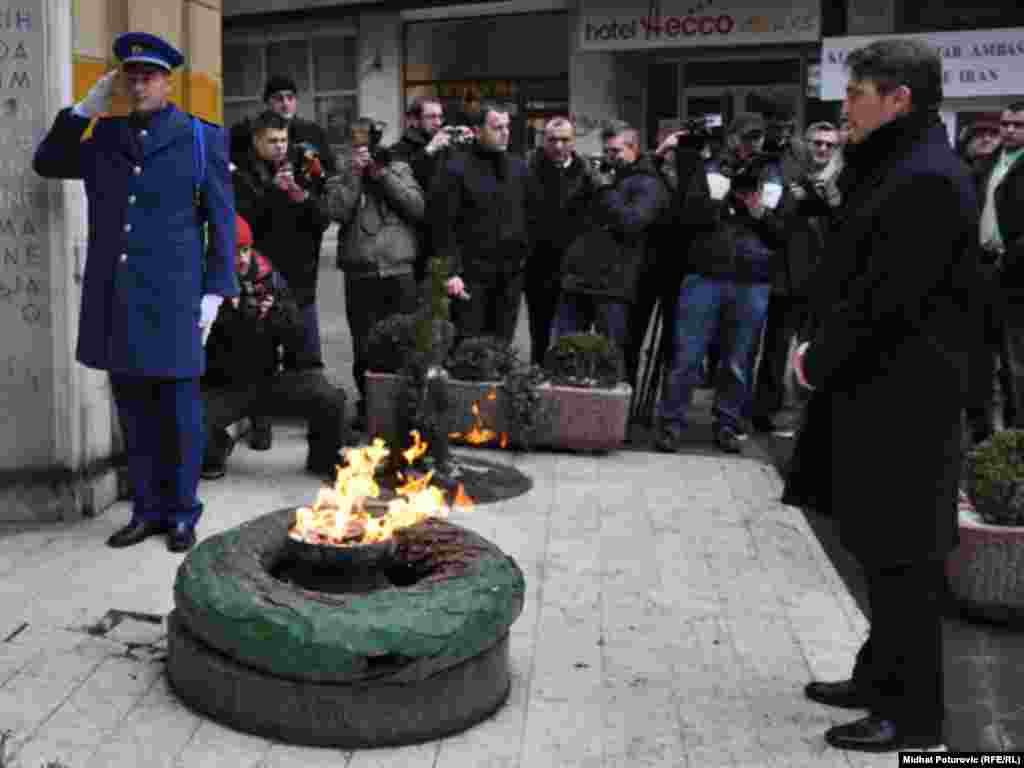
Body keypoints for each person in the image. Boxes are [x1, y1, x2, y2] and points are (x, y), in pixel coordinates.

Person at [783, 39, 979, 752]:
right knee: (875, 545)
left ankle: (913, 714)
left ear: (899, 98)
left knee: (903, 561)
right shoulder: (893, 164)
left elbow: (888, 299)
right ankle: (876, 675)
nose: (845, 107)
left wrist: (815, 360)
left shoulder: (925, 176)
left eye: (857, 93)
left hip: (903, 399)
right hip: (874, 389)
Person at [33, 32, 237, 553]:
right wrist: (82, 110)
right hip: (119, 296)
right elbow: (49, 162)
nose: (140, 83)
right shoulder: (104, 136)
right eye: (132, 75)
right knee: (134, 411)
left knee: (179, 413)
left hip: (175, 300)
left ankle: (183, 513)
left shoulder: (199, 137)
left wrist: (216, 291)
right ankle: (146, 510)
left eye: (150, 75)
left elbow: (220, 218)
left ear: (168, 82)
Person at [655, 113, 785, 454]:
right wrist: (722, 202)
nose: (750, 144)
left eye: (756, 138)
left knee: (739, 360)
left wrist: (759, 213)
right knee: (688, 354)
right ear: (731, 138)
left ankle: (728, 424)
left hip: (752, 277)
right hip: (705, 274)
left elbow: (783, 233)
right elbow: (686, 216)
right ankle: (671, 423)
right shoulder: (709, 166)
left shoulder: (773, 172)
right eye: (744, 137)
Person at [201, 216, 348, 479]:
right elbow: (202, 343)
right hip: (226, 385)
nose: (243, 259)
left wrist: (276, 316)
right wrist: (231, 316)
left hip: (271, 379)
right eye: (234, 253)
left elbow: (301, 342)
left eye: (245, 250)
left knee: (329, 399)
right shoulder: (208, 286)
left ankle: (322, 459)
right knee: (191, 420)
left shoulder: (271, 279)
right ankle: (217, 449)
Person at [230, 75, 337, 373]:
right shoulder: (243, 175)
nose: (279, 147)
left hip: (301, 277)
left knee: (306, 360)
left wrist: (300, 196)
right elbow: (244, 223)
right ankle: (261, 417)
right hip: (261, 277)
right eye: (272, 141)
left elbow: (322, 219)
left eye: (283, 140)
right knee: (257, 359)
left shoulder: (304, 166)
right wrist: (272, 193)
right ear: (256, 140)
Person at [326, 117, 424, 421]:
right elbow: (337, 211)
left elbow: (416, 207)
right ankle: (369, 406)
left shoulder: (398, 167)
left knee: (404, 343)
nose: (363, 148)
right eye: (357, 142)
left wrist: (380, 174)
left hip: (399, 271)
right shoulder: (344, 172)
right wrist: (355, 172)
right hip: (361, 273)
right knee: (364, 346)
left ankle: (404, 406)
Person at [554, 121, 669, 375]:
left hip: (614, 285)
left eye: (615, 152)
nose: (609, 157)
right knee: (565, 352)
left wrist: (605, 188)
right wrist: (585, 182)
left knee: (612, 359)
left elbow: (632, 222)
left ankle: (615, 413)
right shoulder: (603, 176)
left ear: (633, 148)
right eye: (606, 151)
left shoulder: (649, 183)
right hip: (579, 278)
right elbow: (568, 215)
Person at [750, 121, 843, 432]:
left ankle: (808, 417)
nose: (822, 149)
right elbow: (775, 225)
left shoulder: (844, 180)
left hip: (825, 282)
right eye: (817, 142)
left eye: (829, 144)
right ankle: (765, 412)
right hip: (787, 277)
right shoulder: (788, 177)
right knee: (775, 351)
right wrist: (762, 213)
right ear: (807, 144)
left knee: (814, 354)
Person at [430, 103, 530, 343]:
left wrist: (524, 256)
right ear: (477, 131)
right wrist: (451, 272)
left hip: (510, 276)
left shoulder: (518, 167)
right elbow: (442, 224)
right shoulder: (456, 168)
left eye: (507, 127)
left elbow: (529, 215)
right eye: (497, 127)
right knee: (468, 349)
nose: (505, 132)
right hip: (470, 278)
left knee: (502, 346)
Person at [967, 103, 1024, 441]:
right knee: (979, 361)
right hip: (982, 271)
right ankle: (981, 437)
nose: (1009, 130)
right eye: (1006, 124)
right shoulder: (986, 164)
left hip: (1016, 276)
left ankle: (1017, 441)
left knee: (1015, 365)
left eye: (1018, 125)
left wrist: (1013, 253)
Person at [524, 117, 598, 365]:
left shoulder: (586, 173)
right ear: (544, 140)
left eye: (564, 140)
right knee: (540, 331)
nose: (558, 146)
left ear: (573, 141)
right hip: (539, 265)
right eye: (553, 140)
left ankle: (566, 380)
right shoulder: (530, 169)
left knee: (572, 334)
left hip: (575, 266)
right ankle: (537, 376)